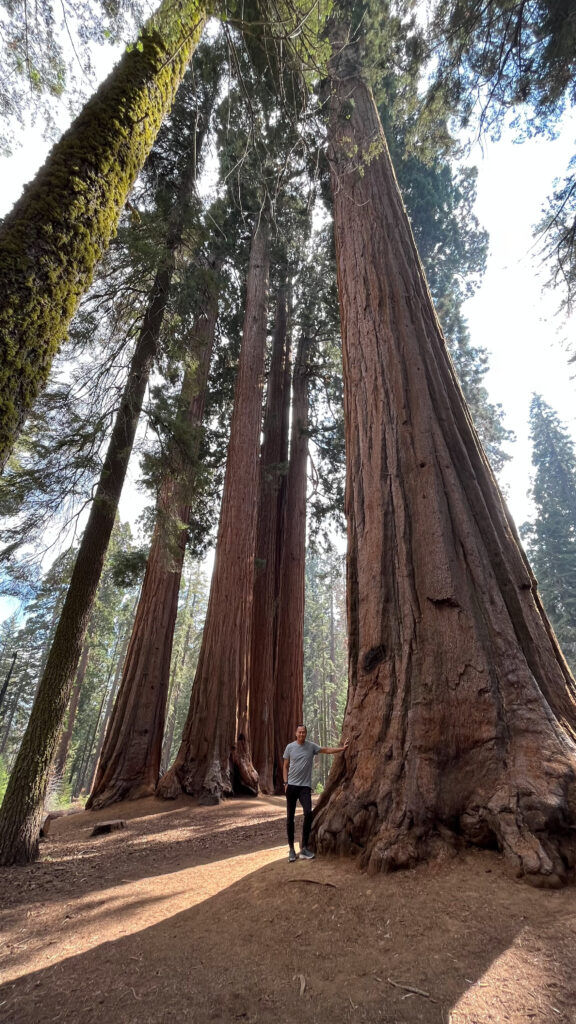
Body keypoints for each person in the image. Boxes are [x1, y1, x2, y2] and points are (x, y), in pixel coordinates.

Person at [283, 724, 348, 862]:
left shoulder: (311, 747)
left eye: (304, 732)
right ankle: (291, 850)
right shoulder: (290, 747)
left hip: (304, 787)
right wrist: (285, 783)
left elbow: (326, 750)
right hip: (292, 787)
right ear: (296, 733)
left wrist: (342, 748)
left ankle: (304, 847)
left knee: (308, 813)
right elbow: (285, 766)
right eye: (299, 732)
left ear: (306, 734)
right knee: (290, 818)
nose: (301, 734)